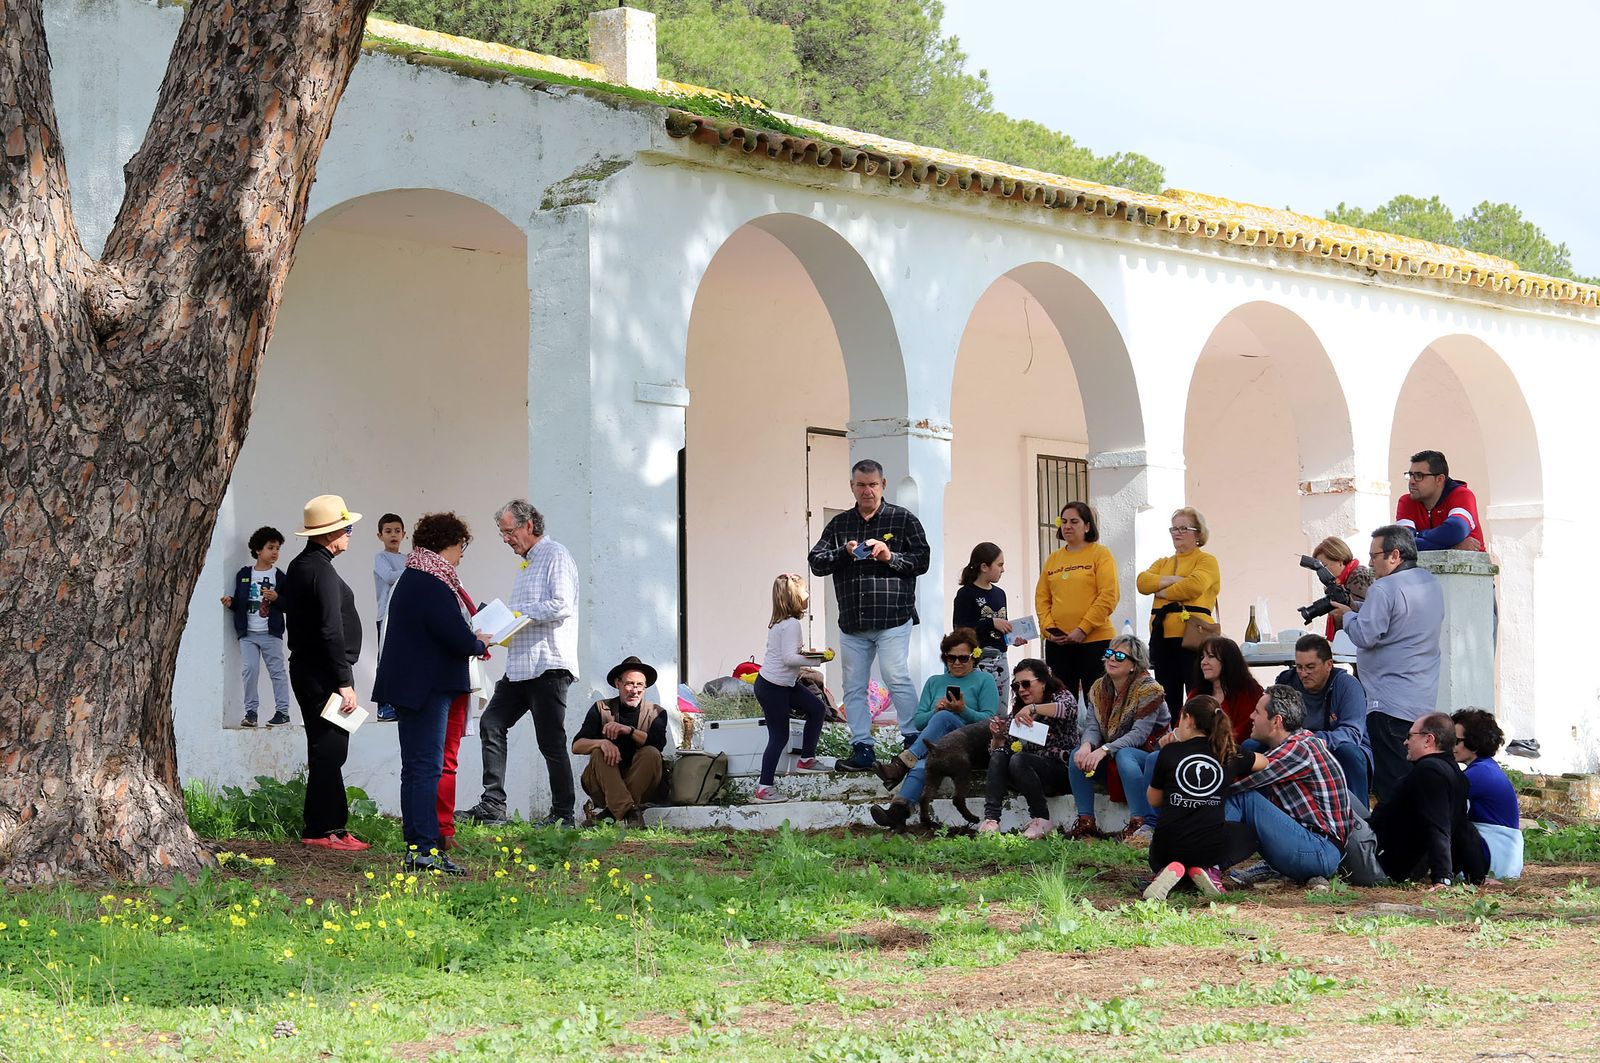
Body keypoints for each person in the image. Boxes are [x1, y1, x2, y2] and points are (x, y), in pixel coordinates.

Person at [371, 512, 493, 875]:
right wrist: (477, 640)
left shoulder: (415, 576)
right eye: (459, 548)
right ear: (446, 544)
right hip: (427, 687)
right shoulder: (431, 580)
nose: (460, 556)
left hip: (414, 686)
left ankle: (417, 848)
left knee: (416, 769)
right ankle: (424, 850)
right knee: (426, 769)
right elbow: (452, 634)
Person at [461, 499, 581, 828]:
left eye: (508, 531)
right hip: (519, 667)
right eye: (502, 533)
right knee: (491, 724)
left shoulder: (555, 554)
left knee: (551, 742)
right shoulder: (527, 563)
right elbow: (528, 616)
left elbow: (561, 604)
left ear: (528, 526)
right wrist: (504, 630)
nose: (506, 539)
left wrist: (519, 617)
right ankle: (493, 805)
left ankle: (562, 815)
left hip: (548, 665)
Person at [807, 459, 931, 772]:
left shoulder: (903, 520)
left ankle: (912, 740)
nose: (867, 491)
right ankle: (862, 747)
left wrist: (890, 556)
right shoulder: (839, 525)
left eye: (873, 484)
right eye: (861, 485)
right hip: (853, 622)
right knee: (853, 686)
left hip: (893, 617)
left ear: (883, 485)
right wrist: (844, 552)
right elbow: (817, 562)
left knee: (896, 676)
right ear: (852, 486)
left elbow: (922, 560)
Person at [281, 494, 369, 852]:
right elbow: (331, 629)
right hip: (322, 674)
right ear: (330, 532)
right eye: (346, 528)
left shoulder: (305, 565)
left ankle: (332, 825)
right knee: (328, 749)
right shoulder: (319, 570)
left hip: (312, 669)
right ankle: (321, 828)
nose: (350, 534)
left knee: (330, 749)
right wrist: (345, 682)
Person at [1330, 525, 1444, 804]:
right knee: (1414, 776)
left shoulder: (1384, 587)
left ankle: (1395, 842)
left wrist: (1345, 618)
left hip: (1387, 700)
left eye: (1374, 556)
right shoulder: (1429, 582)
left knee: (1392, 784)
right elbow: (1396, 621)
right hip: (1421, 697)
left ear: (1395, 555)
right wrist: (1356, 610)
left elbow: (1365, 635)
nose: (1369, 563)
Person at [869, 628, 999, 829]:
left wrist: (963, 710)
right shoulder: (934, 682)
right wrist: (934, 711)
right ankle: (897, 812)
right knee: (923, 763)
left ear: (974, 658)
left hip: (970, 743)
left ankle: (901, 764)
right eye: (951, 658)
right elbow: (919, 721)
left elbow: (990, 721)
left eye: (963, 658)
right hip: (938, 745)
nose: (956, 663)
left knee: (945, 717)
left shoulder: (984, 680)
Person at [1223, 686, 1352, 886]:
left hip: (1318, 851)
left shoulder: (1298, 750)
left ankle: (1203, 858)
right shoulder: (1299, 743)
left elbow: (1235, 785)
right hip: (1316, 848)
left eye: (1257, 712)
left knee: (1243, 797)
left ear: (1276, 721)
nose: (1251, 716)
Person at [1142, 695, 1257, 901]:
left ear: (1189, 719)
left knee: (1164, 842)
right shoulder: (1227, 753)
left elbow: (1153, 800)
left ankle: (1167, 871)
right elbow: (1263, 762)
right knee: (1248, 834)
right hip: (1208, 848)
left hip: (1165, 847)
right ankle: (1210, 870)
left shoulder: (1169, 752)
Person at [1063, 635, 1168, 841]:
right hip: (1111, 751)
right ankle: (1086, 823)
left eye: (1120, 656)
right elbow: (1093, 726)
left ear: (1133, 664)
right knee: (1078, 755)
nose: (1111, 659)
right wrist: (1086, 745)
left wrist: (1104, 749)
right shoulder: (1098, 687)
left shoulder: (1150, 689)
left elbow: (1138, 735)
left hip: (1149, 756)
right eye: (1110, 653)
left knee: (1125, 755)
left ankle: (1139, 823)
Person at [1370, 713, 1488, 887]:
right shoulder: (1455, 773)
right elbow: (1462, 828)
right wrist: (1478, 876)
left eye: (1410, 736)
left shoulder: (1429, 771)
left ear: (1428, 740)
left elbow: (1439, 826)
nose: (1405, 742)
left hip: (1378, 859)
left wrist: (1442, 878)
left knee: (1345, 798)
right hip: (1393, 856)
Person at [751, 574, 834, 803]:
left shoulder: (782, 624)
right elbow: (789, 658)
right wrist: (817, 661)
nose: (808, 595)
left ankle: (806, 759)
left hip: (783, 684)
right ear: (794, 596)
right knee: (779, 736)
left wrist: (809, 655)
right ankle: (764, 788)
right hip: (772, 687)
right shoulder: (791, 625)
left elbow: (787, 655)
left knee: (817, 708)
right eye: (805, 591)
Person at [977, 659, 1079, 839]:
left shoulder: (1060, 696)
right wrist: (997, 738)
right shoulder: (1018, 708)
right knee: (1001, 755)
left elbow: (1068, 709)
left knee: (1020, 759)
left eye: (1026, 684)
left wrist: (1033, 709)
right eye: (1016, 686)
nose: (1021, 690)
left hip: (1058, 771)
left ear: (1043, 681)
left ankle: (1041, 818)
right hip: (1026, 774)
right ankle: (991, 819)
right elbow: (999, 750)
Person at [1137, 507, 1221, 717]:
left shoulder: (1206, 561)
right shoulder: (1163, 562)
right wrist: (1174, 581)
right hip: (1163, 638)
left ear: (1198, 533)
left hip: (1193, 637)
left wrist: (1161, 591)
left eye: (1184, 528)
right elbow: (1142, 582)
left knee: (1197, 691)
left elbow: (1194, 585)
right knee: (1166, 695)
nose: (1177, 533)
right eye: (1173, 528)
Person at [1035, 501, 1119, 704]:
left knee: (1098, 702)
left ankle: (1098, 737)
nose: (1067, 526)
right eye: (1063, 521)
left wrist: (1083, 629)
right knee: (1061, 701)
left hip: (1095, 642)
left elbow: (1108, 595)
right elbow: (1042, 599)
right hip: (1059, 645)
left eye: (1074, 521)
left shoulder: (1100, 554)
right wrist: (1048, 629)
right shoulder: (1053, 559)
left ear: (1087, 526)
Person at [1275, 633, 1371, 808]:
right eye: (1299, 667)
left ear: (1328, 665)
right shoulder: (1286, 681)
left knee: (1350, 753)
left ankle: (1361, 821)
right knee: (1253, 747)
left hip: (1333, 748)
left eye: (1310, 667)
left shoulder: (1348, 685)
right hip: (1295, 747)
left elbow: (1352, 733)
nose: (1303, 673)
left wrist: (1311, 740)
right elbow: (1271, 720)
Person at [572, 657, 670, 827]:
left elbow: (658, 744)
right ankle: (630, 812)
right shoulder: (600, 708)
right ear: (618, 683)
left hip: (643, 786)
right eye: (629, 684)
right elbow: (576, 746)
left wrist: (629, 730)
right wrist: (601, 743)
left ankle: (611, 813)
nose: (635, 690)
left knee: (651, 752)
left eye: (640, 685)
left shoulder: (656, 712)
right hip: (603, 786)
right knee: (598, 751)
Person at [221, 525, 290, 728]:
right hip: (248, 634)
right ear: (258, 550)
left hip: (271, 633)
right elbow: (241, 602)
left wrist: (277, 598)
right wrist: (231, 603)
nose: (275, 552)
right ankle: (251, 712)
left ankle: (283, 711)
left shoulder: (280, 576)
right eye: (271, 547)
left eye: (278, 548)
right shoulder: (244, 574)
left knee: (277, 671)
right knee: (249, 670)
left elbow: (289, 604)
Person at [1452, 708, 1523, 879]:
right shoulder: (1485, 767)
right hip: (1503, 857)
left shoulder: (1480, 773)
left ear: (1474, 743)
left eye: (1455, 740)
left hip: (1494, 855)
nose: (1450, 746)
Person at [954, 542, 1020, 703]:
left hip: (1001, 659)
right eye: (999, 565)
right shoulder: (966, 594)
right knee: (980, 705)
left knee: (1000, 707)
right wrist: (990, 623)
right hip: (978, 659)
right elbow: (960, 628)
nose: (1003, 570)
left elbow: (1001, 626)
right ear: (984, 567)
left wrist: (1013, 638)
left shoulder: (1000, 594)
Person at [1396, 450, 1484, 552]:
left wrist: (1418, 535)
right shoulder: (1406, 501)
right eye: (1410, 475)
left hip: (1470, 566)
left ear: (1439, 479)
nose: (1412, 481)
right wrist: (1452, 547)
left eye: (1419, 476)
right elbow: (1402, 543)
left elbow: (1455, 530)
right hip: (1422, 567)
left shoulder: (1461, 495)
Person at [1191, 636, 1263, 746]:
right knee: (1155, 756)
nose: (1203, 662)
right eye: (1202, 657)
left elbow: (1243, 732)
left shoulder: (1248, 692)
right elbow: (1182, 724)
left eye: (1211, 656)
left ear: (1227, 661)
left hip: (1232, 752)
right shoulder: (1197, 693)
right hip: (1196, 750)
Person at [372, 513, 407, 723]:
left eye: (397, 531)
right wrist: (413, 570)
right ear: (380, 535)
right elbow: (390, 577)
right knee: (385, 660)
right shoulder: (381, 558)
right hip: (385, 616)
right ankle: (383, 706)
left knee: (401, 660)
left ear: (404, 534)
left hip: (404, 617)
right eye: (388, 531)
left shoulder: (407, 558)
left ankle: (398, 703)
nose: (393, 535)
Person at [1309, 536, 1371, 640]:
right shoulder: (1340, 582)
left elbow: (1360, 618)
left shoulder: (1359, 577)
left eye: (1324, 566)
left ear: (1340, 561)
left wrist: (1338, 615)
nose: (1320, 572)